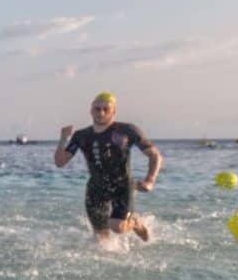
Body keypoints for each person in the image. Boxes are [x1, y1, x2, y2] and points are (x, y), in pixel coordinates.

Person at [54, 91, 161, 242]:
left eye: (106, 109)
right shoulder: (81, 135)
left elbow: (155, 155)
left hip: (122, 186)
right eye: (97, 109)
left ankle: (135, 222)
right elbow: (60, 162)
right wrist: (63, 139)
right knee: (101, 240)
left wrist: (150, 180)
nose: (101, 112)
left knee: (117, 227)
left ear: (114, 112)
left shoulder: (127, 130)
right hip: (96, 188)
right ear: (91, 110)